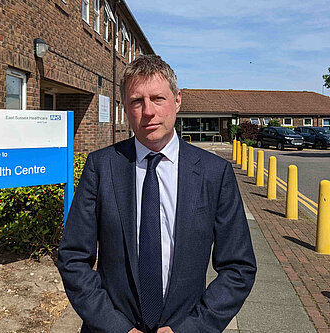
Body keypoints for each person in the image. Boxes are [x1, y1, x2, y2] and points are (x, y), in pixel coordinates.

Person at [57, 55, 256, 333]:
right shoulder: (101, 167)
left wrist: (191, 328)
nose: (147, 111)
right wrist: (115, 326)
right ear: (125, 108)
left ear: (177, 101)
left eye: (158, 99)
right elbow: (73, 257)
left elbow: (238, 268)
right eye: (137, 101)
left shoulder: (214, 173)